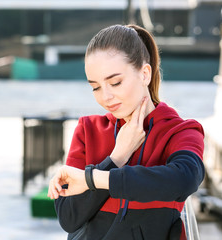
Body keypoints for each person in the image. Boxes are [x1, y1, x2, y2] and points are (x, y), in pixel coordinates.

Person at [47, 24, 205, 240]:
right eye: (95, 87)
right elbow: (69, 218)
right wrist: (116, 158)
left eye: (115, 82)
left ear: (145, 74)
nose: (106, 96)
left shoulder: (180, 131)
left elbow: (185, 180)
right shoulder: (88, 130)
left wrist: (94, 179)